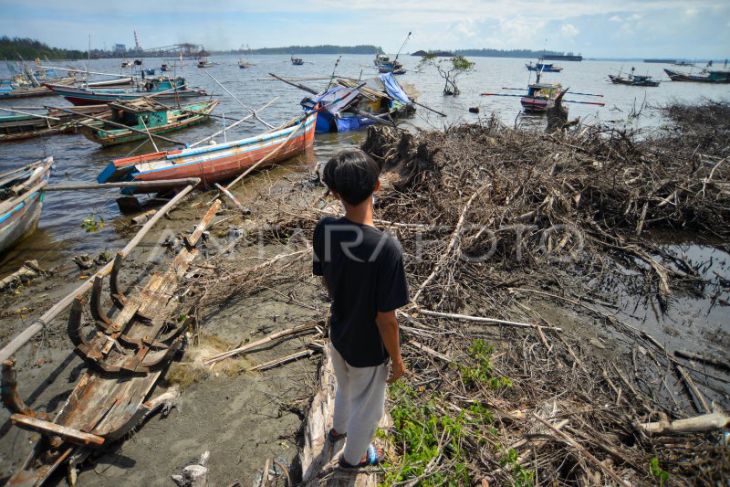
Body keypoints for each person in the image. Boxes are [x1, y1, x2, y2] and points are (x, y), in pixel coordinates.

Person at [312, 149, 409, 469]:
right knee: (369, 411)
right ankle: (352, 460)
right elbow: (387, 320)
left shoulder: (325, 229)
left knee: (344, 384)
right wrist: (396, 359)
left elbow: (327, 277)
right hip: (368, 349)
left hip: (339, 333)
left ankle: (337, 430)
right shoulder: (386, 248)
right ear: (378, 186)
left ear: (335, 193)